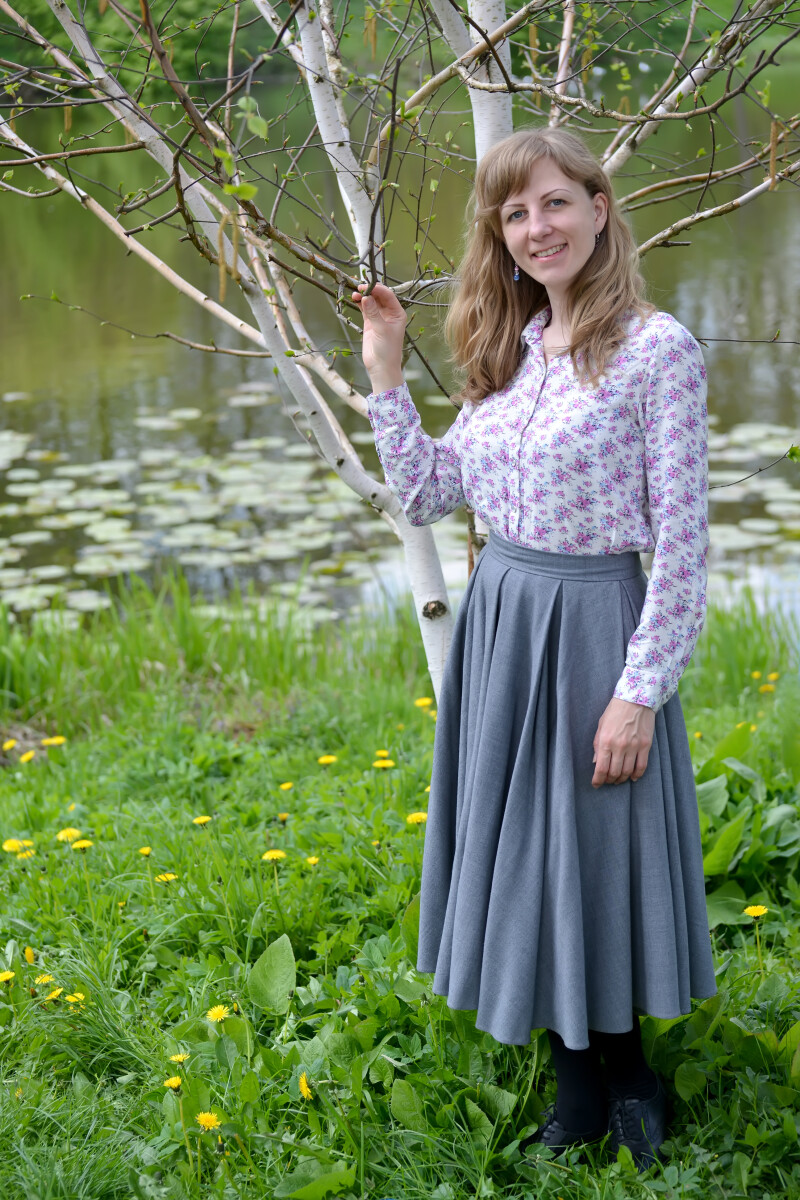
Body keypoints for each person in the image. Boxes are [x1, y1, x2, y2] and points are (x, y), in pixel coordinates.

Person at [352, 126, 716, 1170]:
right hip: (502, 626)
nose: (535, 227)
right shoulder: (509, 357)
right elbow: (425, 493)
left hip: (597, 624)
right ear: (499, 237)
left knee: (594, 851)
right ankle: (570, 1078)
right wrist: (385, 375)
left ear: (599, 210)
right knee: (523, 854)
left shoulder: (657, 352)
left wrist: (637, 691)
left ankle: (628, 1068)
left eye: (554, 202)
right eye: (513, 213)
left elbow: (683, 547)